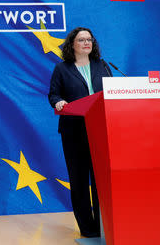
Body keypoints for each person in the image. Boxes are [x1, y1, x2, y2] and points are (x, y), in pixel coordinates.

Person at [48, 27, 112, 238]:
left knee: (101, 180)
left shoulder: (102, 66)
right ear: (72, 45)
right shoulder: (62, 69)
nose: (87, 43)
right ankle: (88, 228)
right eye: (81, 40)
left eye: (89, 39)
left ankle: (105, 225)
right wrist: (59, 102)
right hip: (74, 131)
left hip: (102, 130)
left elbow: (113, 92)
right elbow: (53, 94)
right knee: (79, 179)